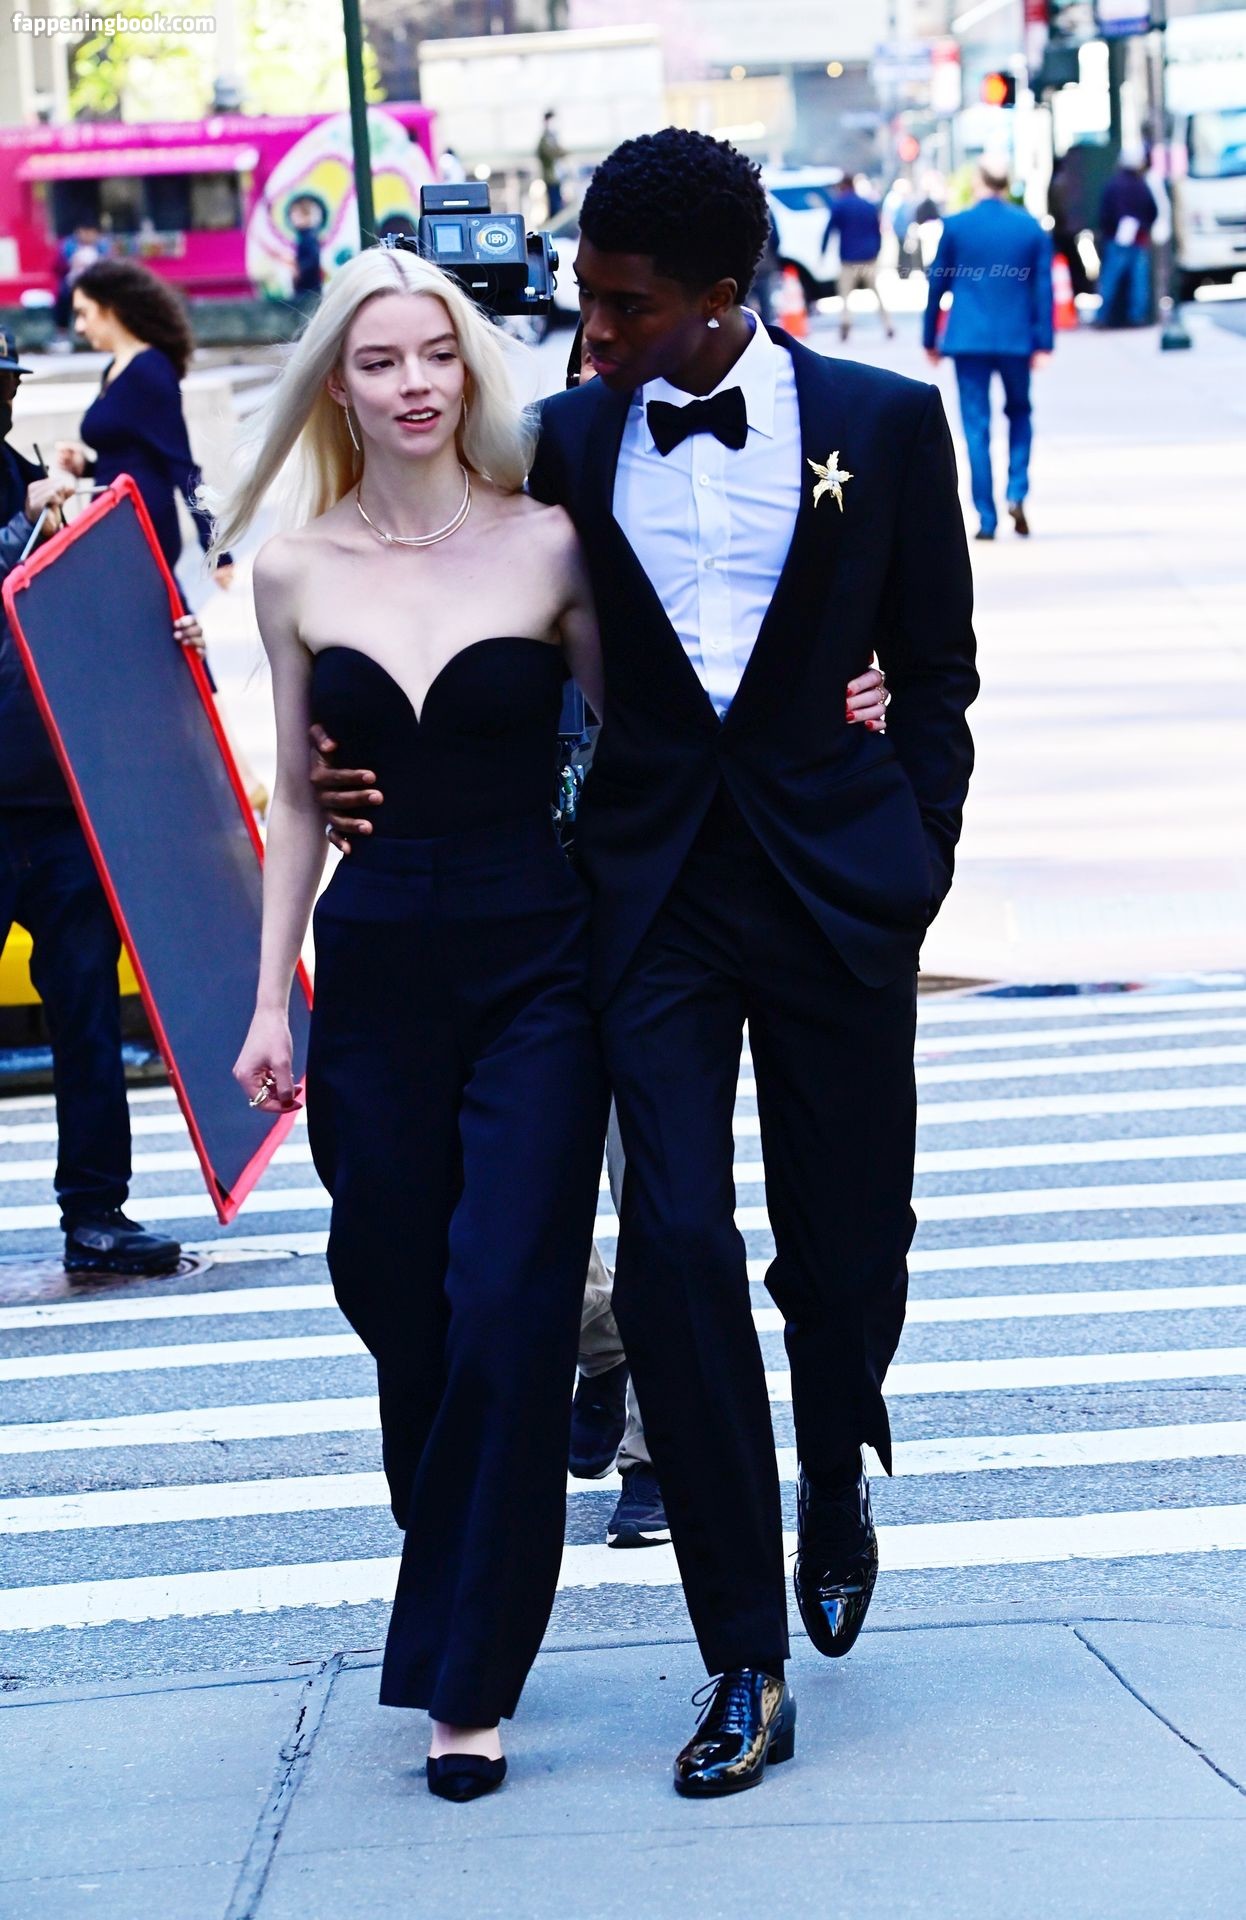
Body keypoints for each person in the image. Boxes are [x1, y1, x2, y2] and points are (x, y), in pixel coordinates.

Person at [316, 129, 977, 1800]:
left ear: (721, 294)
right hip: (648, 897)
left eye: (622, 307)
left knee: (848, 1248)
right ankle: (742, 1652)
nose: (590, 333)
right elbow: (433, 581)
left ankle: (837, 1457)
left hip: (835, 893)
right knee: (673, 1244)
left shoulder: (890, 424)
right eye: (583, 299)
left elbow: (935, 676)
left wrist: (916, 858)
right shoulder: (561, 439)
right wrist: (343, 741)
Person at [220, 245, 611, 1802]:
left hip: (540, 963)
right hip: (376, 966)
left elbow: (647, 741)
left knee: (509, 1300)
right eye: (379, 360)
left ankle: (466, 1676)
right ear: (337, 384)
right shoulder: (293, 569)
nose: (413, 384)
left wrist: (846, 699)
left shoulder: (549, 542)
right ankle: (455, 1536)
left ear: (469, 368)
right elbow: (297, 801)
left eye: (436, 354)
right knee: (400, 1297)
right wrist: (268, 1000)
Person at [0, 328, 199, 1277]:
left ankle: (97, 1210)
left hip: (56, 795)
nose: (5, 398)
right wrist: (22, 529)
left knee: (86, 1012)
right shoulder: (22, 498)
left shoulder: (23, 477)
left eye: (8, 382)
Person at [53, 258, 234, 601]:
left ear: (110, 307)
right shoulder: (115, 368)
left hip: (142, 519)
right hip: (117, 517)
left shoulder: (149, 369)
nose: (78, 326)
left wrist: (216, 550)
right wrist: (86, 466)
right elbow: (133, 455)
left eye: (83, 313)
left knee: (156, 612)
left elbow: (180, 463)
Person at [923, 157, 1053, 540]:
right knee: (1020, 412)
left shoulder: (956, 226)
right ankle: (1017, 490)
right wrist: (1044, 341)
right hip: (1016, 339)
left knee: (975, 425)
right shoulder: (1029, 227)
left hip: (969, 339)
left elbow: (937, 285)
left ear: (978, 181)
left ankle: (987, 517)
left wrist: (929, 338)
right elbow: (1042, 288)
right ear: (1006, 183)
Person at [823, 175, 894, 341]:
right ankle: (888, 324)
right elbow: (877, 231)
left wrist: (823, 250)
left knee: (845, 294)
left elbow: (830, 229)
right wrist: (877, 251)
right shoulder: (868, 205)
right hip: (868, 257)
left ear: (842, 186)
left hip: (848, 258)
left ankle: (845, 321)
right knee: (876, 292)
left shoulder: (839, 205)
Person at [1095, 145, 1158, 330]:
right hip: (1138, 239)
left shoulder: (1114, 185)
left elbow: (1105, 213)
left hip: (1116, 240)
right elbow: (1152, 211)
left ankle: (1102, 317)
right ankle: (1137, 317)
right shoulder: (1141, 185)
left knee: (1110, 279)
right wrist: (1143, 227)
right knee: (1139, 281)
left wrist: (1110, 230)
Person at [287, 196, 326, 299]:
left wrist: (299, 270)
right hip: (307, 287)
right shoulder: (303, 236)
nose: (293, 219)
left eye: (297, 215)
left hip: (309, 288)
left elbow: (312, 260)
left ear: (306, 217)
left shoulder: (309, 237)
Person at [537, 109, 567, 218]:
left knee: (558, 202)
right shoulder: (545, 138)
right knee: (555, 205)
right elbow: (550, 152)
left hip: (556, 176)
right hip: (551, 177)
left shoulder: (552, 137)